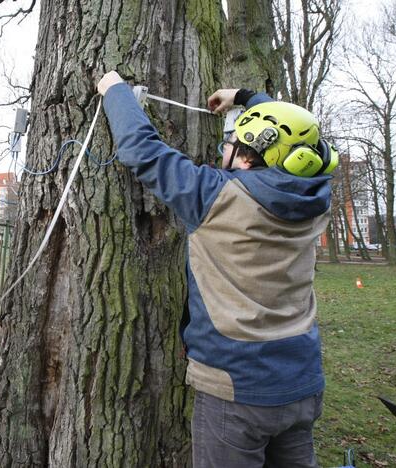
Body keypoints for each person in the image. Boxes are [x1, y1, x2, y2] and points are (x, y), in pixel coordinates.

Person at [97, 71, 338, 467]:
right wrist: (246, 97)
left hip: (236, 391)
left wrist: (115, 91)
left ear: (245, 156)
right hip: (302, 384)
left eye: (229, 143)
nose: (221, 149)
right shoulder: (316, 196)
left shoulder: (214, 196)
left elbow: (142, 150)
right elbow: (295, 130)